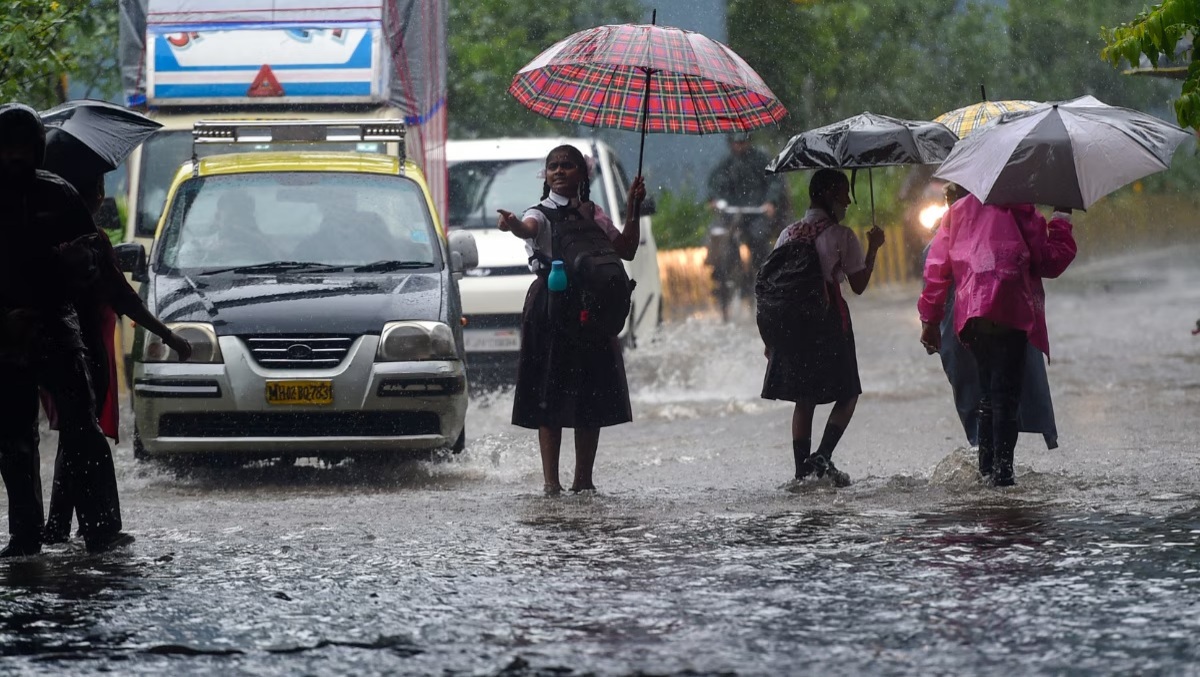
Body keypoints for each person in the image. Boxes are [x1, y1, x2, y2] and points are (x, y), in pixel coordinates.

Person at [39, 137, 193, 544]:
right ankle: (98, 527)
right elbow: (122, 297)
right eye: (98, 186)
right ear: (87, 193)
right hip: (84, 353)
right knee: (84, 437)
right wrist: (169, 336)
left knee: (74, 436)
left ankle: (57, 526)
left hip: (49, 350)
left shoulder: (34, 234)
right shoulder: (89, 241)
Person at [0, 103, 132, 556]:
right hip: (6, 334)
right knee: (15, 438)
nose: (15, 157)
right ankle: (25, 537)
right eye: (7, 148)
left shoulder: (60, 196)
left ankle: (100, 529)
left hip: (58, 325)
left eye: (24, 148)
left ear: (38, 151)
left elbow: (94, 269)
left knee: (83, 426)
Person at [496, 144, 645, 495]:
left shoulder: (594, 213)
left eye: (567, 166)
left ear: (582, 175)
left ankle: (584, 482)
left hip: (591, 313)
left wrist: (633, 209)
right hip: (552, 312)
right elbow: (529, 228)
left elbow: (626, 249)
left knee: (589, 396)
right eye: (553, 167)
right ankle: (551, 484)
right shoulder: (540, 212)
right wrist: (514, 224)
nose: (559, 171)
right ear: (545, 176)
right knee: (550, 394)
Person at [919, 193, 1077, 487]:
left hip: (973, 314)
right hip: (1010, 310)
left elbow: (936, 267)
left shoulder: (957, 212)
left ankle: (986, 471)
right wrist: (1062, 219)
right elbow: (1049, 261)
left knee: (987, 393)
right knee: (1006, 395)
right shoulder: (1020, 208)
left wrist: (929, 319)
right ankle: (1003, 475)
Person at [761, 169, 885, 487]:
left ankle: (802, 472)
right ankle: (823, 455)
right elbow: (858, 284)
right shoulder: (841, 236)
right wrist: (873, 249)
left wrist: (770, 337)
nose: (848, 200)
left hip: (791, 326)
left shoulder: (788, 233)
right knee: (848, 393)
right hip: (828, 321)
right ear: (829, 194)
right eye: (844, 193)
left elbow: (774, 285)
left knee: (805, 398)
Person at [706, 132, 787, 274]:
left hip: (757, 212)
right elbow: (715, 182)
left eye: (742, 142)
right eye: (735, 143)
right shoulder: (727, 163)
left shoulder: (761, 159)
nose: (739, 146)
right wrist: (713, 198)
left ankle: (762, 273)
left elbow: (774, 182)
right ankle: (725, 276)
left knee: (758, 237)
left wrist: (770, 201)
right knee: (721, 238)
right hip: (733, 212)